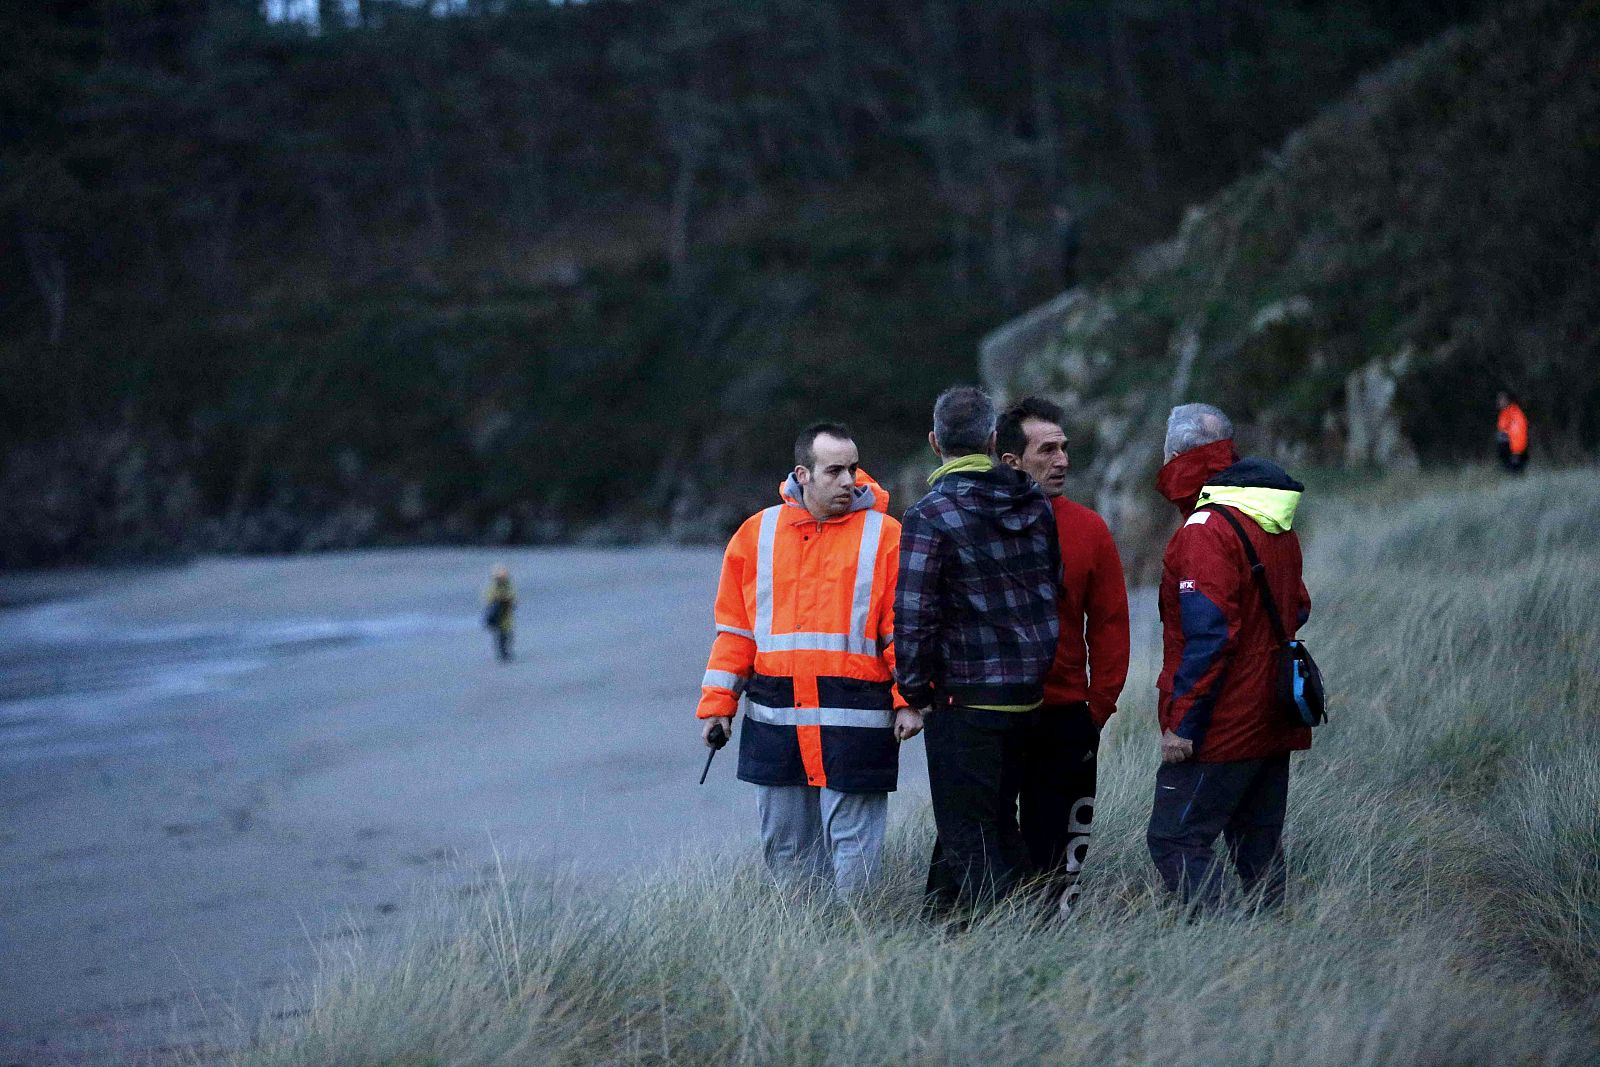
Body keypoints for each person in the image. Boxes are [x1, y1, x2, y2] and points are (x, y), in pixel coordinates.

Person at [696, 423, 921, 901]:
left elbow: (903, 632)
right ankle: (804, 953)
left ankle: (858, 947)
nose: (848, 481)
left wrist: (909, 700)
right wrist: (719, 704)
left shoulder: (885, 536)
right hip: (777, 722)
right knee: (787, 852)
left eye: (853, 469)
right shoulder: (755, 535)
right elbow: (735, 631)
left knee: (856, 852)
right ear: (804, 474)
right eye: (834, 471)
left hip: (856, 720)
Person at [895, 386, 1062, 916]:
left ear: (933, 443)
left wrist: (914, 690)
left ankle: (1012, 937)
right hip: (1028, 697)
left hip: (964, 702)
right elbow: (1051, 584)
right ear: (993, 440)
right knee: (990, 818)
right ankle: (940, 927)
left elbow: (913, 616)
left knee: (968, 831)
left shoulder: (930, 515)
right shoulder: (1033, 501)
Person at [1146, 403, 1313, 912]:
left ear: (1176, 455)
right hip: (1274, 714)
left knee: (1174, 839)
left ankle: (1225, 940)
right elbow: (1298, 605)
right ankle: (1275, 952)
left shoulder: (1204, 529)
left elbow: (1210, 636)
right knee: (1257, 848)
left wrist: (1182, 724)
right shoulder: (1268, 517)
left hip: (1224, 721)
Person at [996, 396, 1130, 916]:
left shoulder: (1089, 528)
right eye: (1047, 450)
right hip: (996, 712)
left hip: (1067, 714)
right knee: (992, 835)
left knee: (1060, 852)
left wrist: (1098, 708)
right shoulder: (983, 524)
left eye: (1065, 448)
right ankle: (991, 933)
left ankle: (1055, 934)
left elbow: (1112, 623)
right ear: (1013, 460)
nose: (1063, 460)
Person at [483, 565, 516, 661]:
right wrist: (499, 599)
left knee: (507, 634)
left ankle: (505, 652)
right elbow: (488, 597)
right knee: (501, 635)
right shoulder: (493, 586)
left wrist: (509, 601)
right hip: (497, 613)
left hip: (506, 613)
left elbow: (513, 597)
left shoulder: (508, 586)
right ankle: (503, 653)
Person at [1496, 391, 1529, 474]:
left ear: (1507, 400)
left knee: (1516, 471)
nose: (1499, 402)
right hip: (1507, 447)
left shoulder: (1514, 412)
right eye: (1499, 400)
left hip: (1515, 448)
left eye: (1502, 400)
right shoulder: (1504, 413)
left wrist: (1516, 453)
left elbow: (1518, 432)